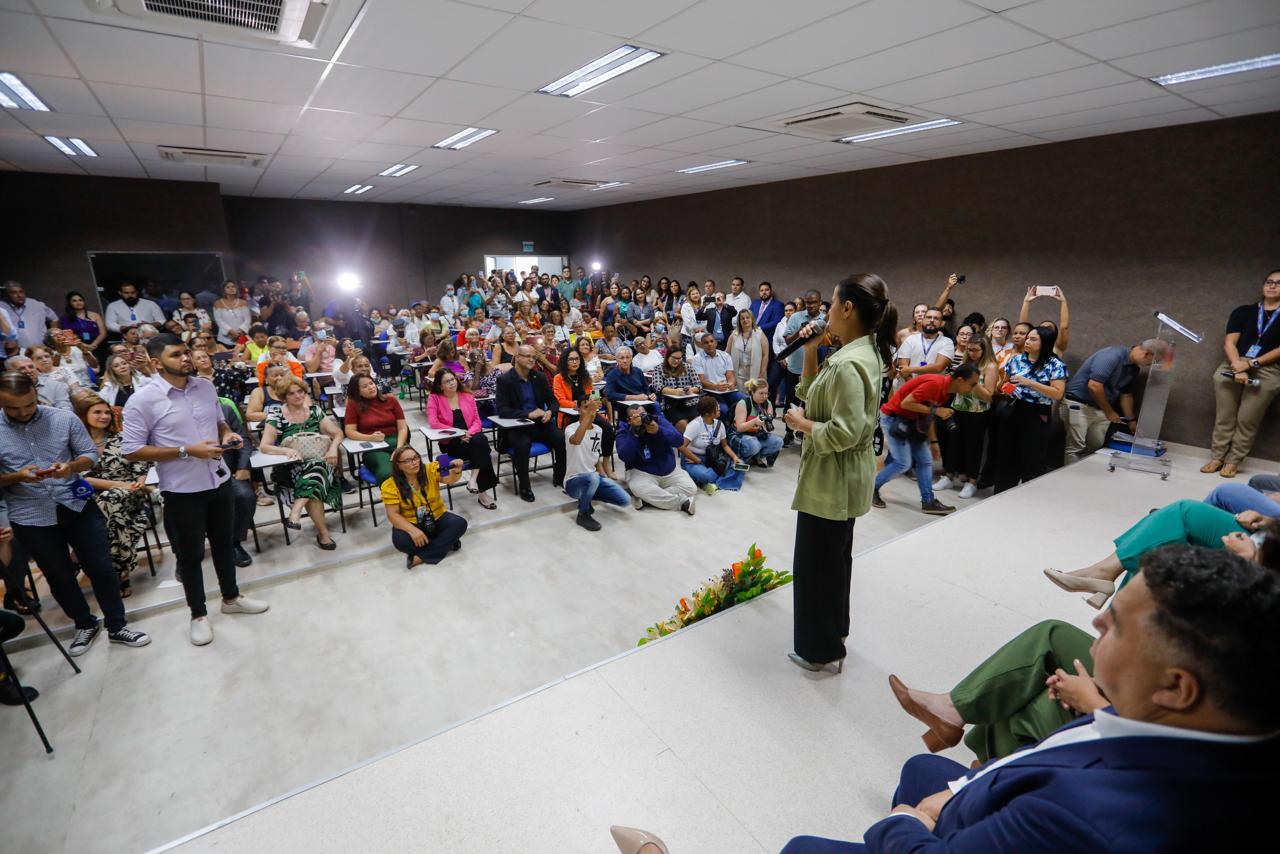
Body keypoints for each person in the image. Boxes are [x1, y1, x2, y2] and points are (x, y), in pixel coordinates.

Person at [782, 545, 1280, 854]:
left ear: (1176, 687)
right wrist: (961, 788)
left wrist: (906, 824)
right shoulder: (1208, 730)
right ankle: (961, 737)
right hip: (1006, 796)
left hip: (964, 830)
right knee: (920, 769)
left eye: (1117, 623)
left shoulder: (1083, 815)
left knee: (801, 848)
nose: (1095, 622)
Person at [121, 334, 267, 645]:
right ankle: (198, 614)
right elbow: (131, 450)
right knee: (190, 555)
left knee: (225, 543)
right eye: (177, 355)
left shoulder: (205, 386)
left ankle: (231, 598)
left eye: (187, 352)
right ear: (156, 363)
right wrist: (186, 451)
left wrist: (226, 435)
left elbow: (219, 423)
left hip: (218, 479)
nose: (186, 358)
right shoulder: (143, 400)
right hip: (182, 489)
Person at [782, 274, 895, 673]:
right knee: (833, 562)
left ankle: (819, 650)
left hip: (832, 478)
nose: (826, 311)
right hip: (840, 478)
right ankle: (834, 634)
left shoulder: (851, 364)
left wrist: (801, 425)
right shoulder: (861, 353)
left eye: (831, 304)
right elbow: (813, 398)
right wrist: (810, 351)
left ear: (848, 309)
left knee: (814, 568)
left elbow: (848, 431)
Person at [0, 371, 151, 653]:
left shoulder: (62, 418)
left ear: (36, 394)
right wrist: (16, 477)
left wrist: (70, 467)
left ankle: (117, 626)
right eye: (12, 408)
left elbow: (89, 455)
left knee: (102, 567)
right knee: (58, 575)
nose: (22, 413)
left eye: (29, 406)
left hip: (76, 503)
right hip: (30, 515)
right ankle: (84, 623)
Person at [1043, 497, 1273, 609]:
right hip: (1270, 537)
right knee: (1162, 536)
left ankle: (1103, 578)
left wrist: (1251, 556)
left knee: (1179, 516)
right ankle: (1113, 622)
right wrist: (1271, 521)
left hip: (1269, 555)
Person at [1203, 270, 1280, 478]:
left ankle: (1233, 460)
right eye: (1269, 282)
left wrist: (1252, 363)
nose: (1272, 286)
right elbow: (1230, 342)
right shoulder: (1243, 311)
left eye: (1278, 283)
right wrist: (1238, 365)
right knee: (1224, 416)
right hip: (1234, 361)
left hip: (1267, 368)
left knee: (1248, 419)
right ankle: (1217, 457)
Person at [76, 393, 154, 597]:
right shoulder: (76, 445)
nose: (103, 416)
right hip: (93, 496)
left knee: (111, 502)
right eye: (97, 412)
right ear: (84, 415)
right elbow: (84, 479)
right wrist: (122, 484)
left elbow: (141, 463)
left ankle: (85, 559)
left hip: (129, 497)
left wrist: (139, 483)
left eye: (106, 412)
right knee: (108, 506)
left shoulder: (122, 438)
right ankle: (121, 573)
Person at [258, 375, 343, 549]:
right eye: (291, 394)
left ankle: (297, 513)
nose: (297, 396)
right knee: (316, 478)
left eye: (300, 392)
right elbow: (264, 446)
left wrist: (333, 447)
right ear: (284, 396)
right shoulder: (276, 414)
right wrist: (286, 450)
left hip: (318, 464)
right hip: (290, 468)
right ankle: (322, 534)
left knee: (316, 470)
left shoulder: (315, 411)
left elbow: (338, 433)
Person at [1062, 339, 1166, 464]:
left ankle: (1085, 477)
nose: (1151, 365)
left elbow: (1126, 395)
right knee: (1075, 448)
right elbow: (1094, 385)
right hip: (1079, 405)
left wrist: (1131, 421)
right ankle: (1070, 480)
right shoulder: (1112, 356)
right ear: (1147, 354)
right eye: (1154, 361)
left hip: (1101, 410)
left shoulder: (1134, 369)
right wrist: (1109, 412)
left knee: (1095, 447)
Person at [994, 325, 1067, 493]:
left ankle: (1028, 499)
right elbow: (1002, 383)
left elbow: (1058, 393)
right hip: (1013, 408)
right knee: (1007, 455)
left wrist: (1031, 383)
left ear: (1045, 342)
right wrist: (1005, 387)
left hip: (1037, 412)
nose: (1027, 341)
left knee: (1033, 457)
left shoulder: (1055, 364)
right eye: (1027, 338)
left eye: (1033, 339)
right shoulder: (1015, 359)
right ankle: (1000, 496)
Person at [495, 344, 565, 502]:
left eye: (534, 357)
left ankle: (560, 477)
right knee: (522, 445)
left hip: (540, 423)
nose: (532, 359)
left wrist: (550, 412)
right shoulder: (505, 380)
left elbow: (553, 401)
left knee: (562, 438)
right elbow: (503, 410)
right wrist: (528, 413)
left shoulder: (538, 377)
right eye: (527, 356)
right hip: (517, 426)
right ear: (517, 357)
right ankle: (525, 486)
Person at [381, 446, 467, 568]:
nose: (414, 462)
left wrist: (457, 471)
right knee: (401, 542)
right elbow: (392, 514)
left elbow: (449, 480)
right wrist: (413, 531)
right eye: (408, 461)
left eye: (416, 458)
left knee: (460, 524)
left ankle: (421, 556)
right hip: (411, 522)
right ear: (398, 466)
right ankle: (446, 543)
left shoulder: (430, 469)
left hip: (436, 516)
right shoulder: (390, 485)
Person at [426, 369, 497, 509]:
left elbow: (477, 421)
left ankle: (473, 480)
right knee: (482, 447)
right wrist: (459, 433)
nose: (452, 383)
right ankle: (481, 491)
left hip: (471, 436)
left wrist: (468, 433)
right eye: (447, 381)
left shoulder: (467, 395)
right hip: (450, 441)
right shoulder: (434, 397)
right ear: (440, 386)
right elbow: (434, 423)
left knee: (480, 441)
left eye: (452, 379)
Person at [939, 337, 997, 499]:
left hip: (978, 412)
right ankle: (949, 476)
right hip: (958, 408)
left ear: (985, 350)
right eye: (969, 350)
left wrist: (973, 382)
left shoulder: (990, 367)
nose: (972, 353)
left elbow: (989, 396)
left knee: (974, 448)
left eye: (976, 350)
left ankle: (971, 482)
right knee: (954, 443)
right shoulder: (965, 364)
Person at [563, 396, 630, 531]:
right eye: (586, 408)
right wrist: (589, 415)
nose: (591, 411)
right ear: (578, 410)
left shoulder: (598, 430)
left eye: (592, 408)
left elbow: (594, 457)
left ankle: (587, 497)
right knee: (592, 478)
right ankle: (583, 513)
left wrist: (604, 477)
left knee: (624, 500)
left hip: (593, 479)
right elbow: (576, 440)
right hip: (573, 482)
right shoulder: (570, 428)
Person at [616, 404, 697, 514]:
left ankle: (647, 500)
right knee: (641, 489)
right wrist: (634, 433)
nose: (642, 420)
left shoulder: (658, 420)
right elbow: (624, 456)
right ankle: (683, 503)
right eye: (636, 417)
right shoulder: (624, 429)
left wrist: (659, 430)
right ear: (629, 420)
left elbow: (679, 441)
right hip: (642, 472)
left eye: (643, 415)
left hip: (669, 470)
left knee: (691, 488)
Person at [552, 349, 616, 478]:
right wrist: (577, 405)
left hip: (588, 413)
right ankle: (595, 463)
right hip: (569, 415)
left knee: (608, 428)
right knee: (582, 435)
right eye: (571, 359)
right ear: (565, 361)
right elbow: (560, 401)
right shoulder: (559, 378)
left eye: (577, 359)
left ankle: (606, 462)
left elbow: (592, 394)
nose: (575, 362)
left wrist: (596, 400)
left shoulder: (585, 376)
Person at [780, 289, 825, 446]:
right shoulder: (796, 317)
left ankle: (803, 431)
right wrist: (801, 333)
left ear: (820, 302)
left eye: (813, 302)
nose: (810, 305)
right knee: (790, 401)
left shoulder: (824, 321)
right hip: (795, 368)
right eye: (807, 302)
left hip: (816, 372)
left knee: (809, 404)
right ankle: (788, 433)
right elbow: (787, 341)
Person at [343, 374, 407, 484]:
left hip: (397, 442)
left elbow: (402, 428)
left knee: (414, 466)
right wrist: (370, 437)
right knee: (387, 473)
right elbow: (349, 431)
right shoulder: (353, 405)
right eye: (365, 386)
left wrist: (399, 449)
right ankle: (396, 499)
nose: (371, 387)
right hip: (373, 447)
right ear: (358, 391)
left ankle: (417, 499)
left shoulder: (391, 400)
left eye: (371, 383)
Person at [679, 395, 745, 494]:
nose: (719, 410)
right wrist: (696, 459)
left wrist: (734, 457)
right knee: (707, 476)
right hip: (693, 458)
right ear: (707, 413)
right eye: (716, 409)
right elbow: (681, 446)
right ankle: (718, 480)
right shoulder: (695, 425)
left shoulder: (720, 424)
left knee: (741, 465)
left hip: (713, 457)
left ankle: (713, 484)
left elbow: (725, 446)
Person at [730, 378, 783, 467]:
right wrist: (754, 421)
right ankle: (740, 458)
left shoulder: (768, 403)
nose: (764, 396)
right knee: (755, 445)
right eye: (761, 393)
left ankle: (756, 456)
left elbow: (768, 427)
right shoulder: (743, 403)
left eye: (766, 393)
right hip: (740, 434)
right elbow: (739, 428)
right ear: (753, 392)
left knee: (778, 442)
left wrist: (768, 422)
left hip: (756, 434)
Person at [648, 346, 701, 430]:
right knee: (682, 424)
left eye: (679, 358)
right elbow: (658, 387)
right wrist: (675, 391)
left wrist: (691, 390)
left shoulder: (688, 367)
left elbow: (698, 386)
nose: (677, 361)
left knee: (698, 422)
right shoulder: (659, 368)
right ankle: (682, 442)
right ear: (667, 356)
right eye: (674, 358)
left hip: (690, 402)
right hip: (670, 404)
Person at [691, 332, 742, 418]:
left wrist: (730, 384)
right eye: (706, 342)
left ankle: (741, 427)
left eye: (711, 341)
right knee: (723, 410)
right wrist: (716, 386)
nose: (710, 344)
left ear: (716, 342)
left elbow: (731, 376)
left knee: (746, 400)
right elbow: (701, 381)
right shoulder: (697, 359)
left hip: (726, 390)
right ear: (702, 345)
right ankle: (724, 430)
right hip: (709, 392)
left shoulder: (725, 356)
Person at [1, 281, 59, 351]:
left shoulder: (37, 304)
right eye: (14, 293)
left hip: (40, 349)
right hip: (14, 352)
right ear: (6, 295)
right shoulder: (2, 307)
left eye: (21, 292)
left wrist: (52, 338)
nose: (19, 295)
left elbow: (54, 319)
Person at [1019, 284, 1071, 355]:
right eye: (1042, 327)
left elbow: (1064, 328)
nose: (1045, 329)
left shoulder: (1058, 347)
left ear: (1055, 334)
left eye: (1049, 328)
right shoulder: (1029, 344)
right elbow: (1023, 326)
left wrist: (1063, 302)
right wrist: (1026, 302)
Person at [6, 355, 71, 411]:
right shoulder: (5, 391)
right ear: (10, 372)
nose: (28, 371)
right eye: (21, 369)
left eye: (31, 367)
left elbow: (66, 408)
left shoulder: (55, 385)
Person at [725, 308, 767, 394]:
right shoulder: (734, 334)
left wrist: (762, 372)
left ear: (752, 319)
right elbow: (727, 354)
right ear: (739, 321)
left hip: (755, 371)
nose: (745, 320)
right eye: (742, 318)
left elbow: (765, 355)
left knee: (754, 396)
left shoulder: (759, 334)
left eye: (747, 317)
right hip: (738, 372)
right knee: (739, 397)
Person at [59, 291, 107, 355]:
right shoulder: (66, 319)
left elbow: (103, 333)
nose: (78, 302)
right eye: (74, 301)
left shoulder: (95, 315)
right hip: (78, 346)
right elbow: (68, 336)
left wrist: (94, 344)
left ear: (84, 301)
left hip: (98, 345)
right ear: (70, 303)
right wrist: (84, 345)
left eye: (80, 300)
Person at [212, 280, 252, 347]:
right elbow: (219, 321)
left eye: (233, 286)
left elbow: (248, 320)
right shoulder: (217, 303)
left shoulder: (243, 302)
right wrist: (231, 332)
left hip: (242, 337)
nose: (231, 288)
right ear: (224, 290)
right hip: (224, 339)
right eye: (228, 287)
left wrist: (239, 332)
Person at [750, 281, 784, 354]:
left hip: (767, 340)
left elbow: (776, 322)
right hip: (751, 339)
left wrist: (758, 328)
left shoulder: (778, 305)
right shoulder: (755, 303)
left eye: (766, 290)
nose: (764, 292)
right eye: (761, 290)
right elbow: (748, 317)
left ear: (771, 291)